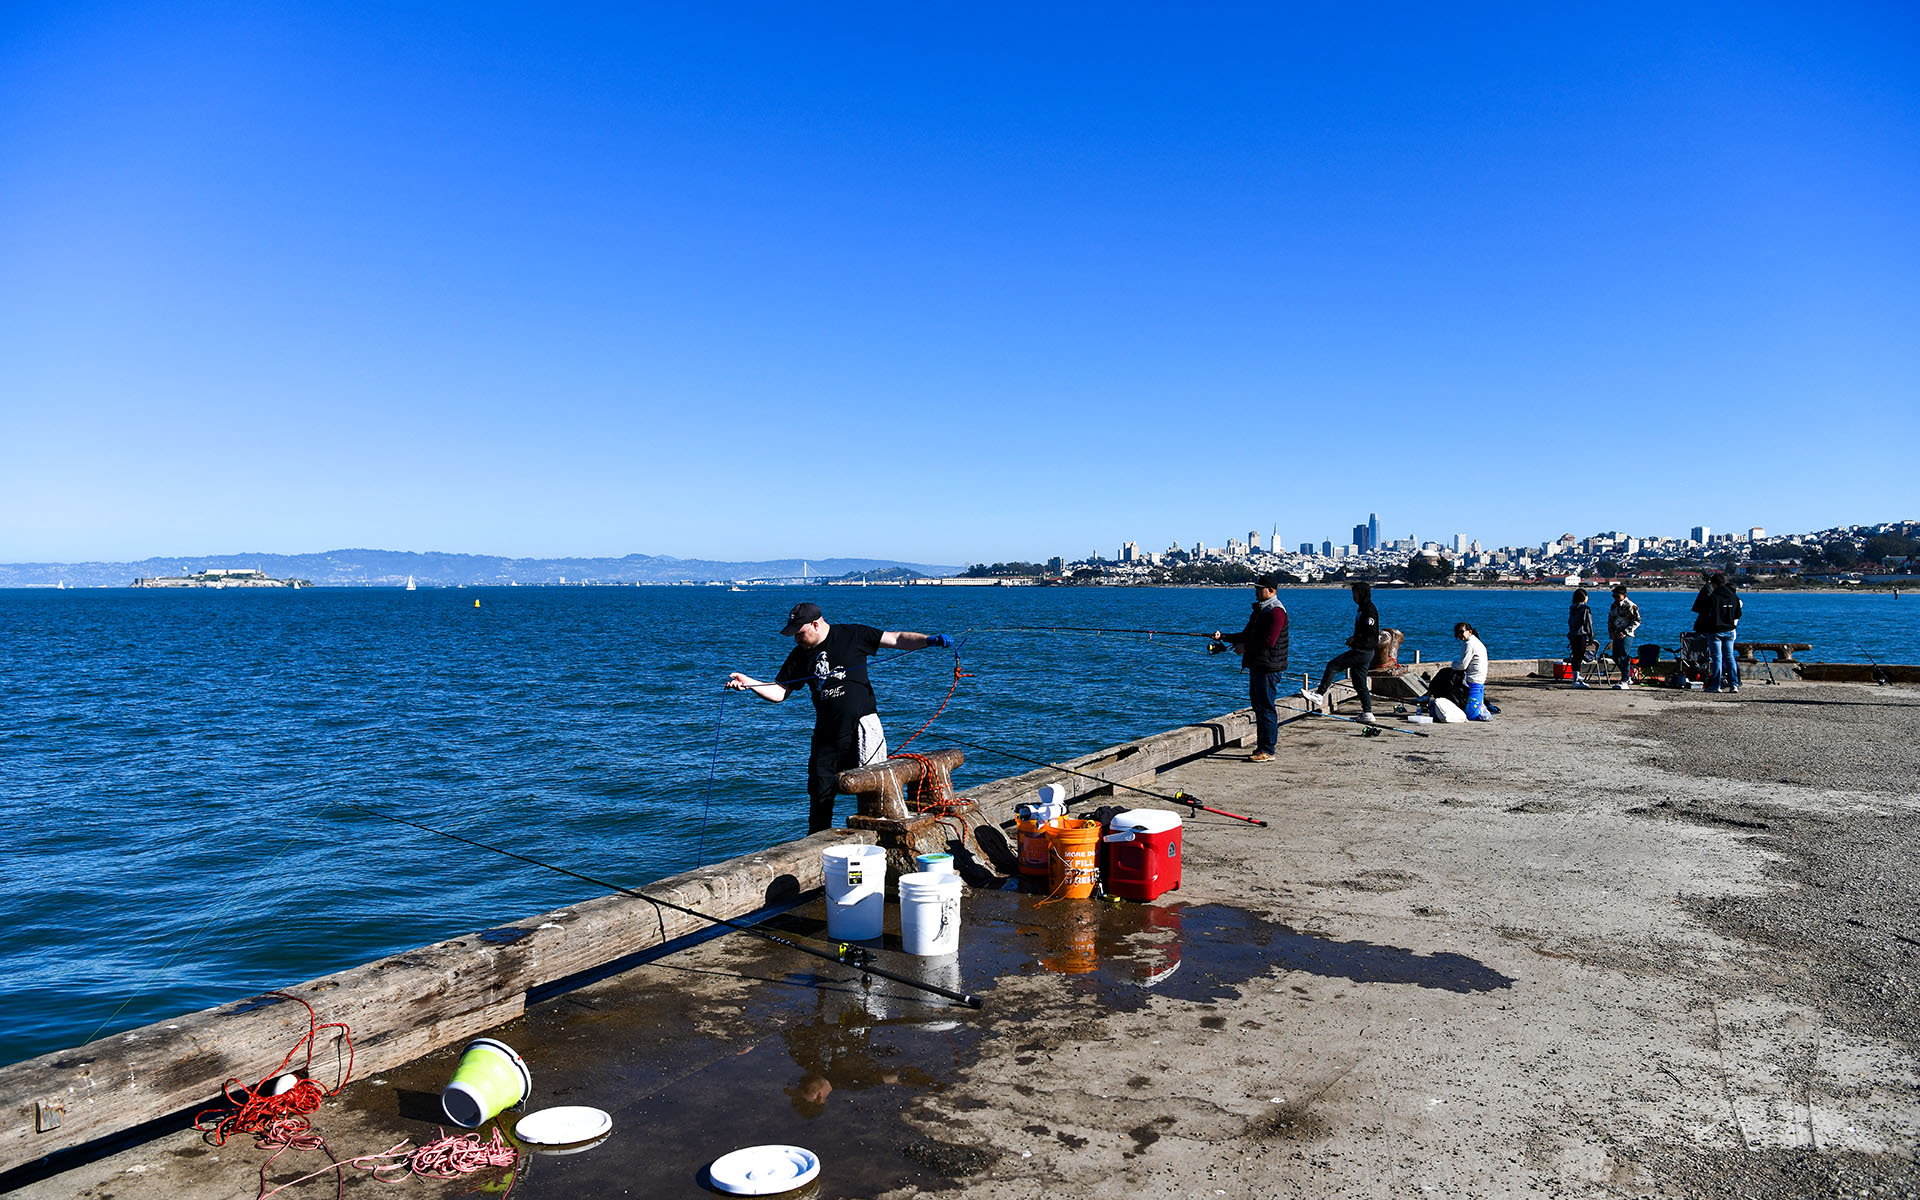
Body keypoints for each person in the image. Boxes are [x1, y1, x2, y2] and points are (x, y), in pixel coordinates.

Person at [728, 602, 952, 833]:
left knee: (873, 787)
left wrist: (929, 640)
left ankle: (876, 837)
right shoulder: (799, 655)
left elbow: (897, 639)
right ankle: (816, 842)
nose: (796, 639)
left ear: (815, 624)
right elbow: (779, 691)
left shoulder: (852, 635)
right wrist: (751, 683)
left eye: (800, 633)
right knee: (820, 792)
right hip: (826, 734)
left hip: (862, 728)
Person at [1214, 574, 1290, 762]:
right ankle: (1261, 747)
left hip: (1269, 667)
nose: (1255, 592)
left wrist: (1245, 648)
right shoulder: (1260, 610)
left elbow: (1269, 641)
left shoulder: (1276, 612)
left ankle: (1268, 749)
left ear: (1271, 591)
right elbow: (1246, 634)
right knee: (1259, 706)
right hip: (1259, 665)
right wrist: (1223, 637)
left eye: (1259, 588)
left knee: (1266, 708)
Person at [1301, 581, 1378, 723]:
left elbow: (1370, 630)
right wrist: (1353, 639)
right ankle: (1367, 712)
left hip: (1362, 651)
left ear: (1362, 593)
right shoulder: (1361, 608)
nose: (1353, 596)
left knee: (1333, 666)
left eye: (1355, 593)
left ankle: (1319, 694)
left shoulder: (1369, 609)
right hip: (1364, 650)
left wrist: (1356, 639)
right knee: (1359, 682)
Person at [1691, 572, 1743, 693]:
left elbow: (1707, 614)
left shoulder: (1713, 597)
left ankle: (1716, 685)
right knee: (1730, 658)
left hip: (1715, 631)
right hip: (1729, 630)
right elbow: (1738, 614)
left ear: (1714, 584)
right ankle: (1734, 684)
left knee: (1717, 659)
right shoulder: (1733, 596)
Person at [1451, 622, 1491, 720]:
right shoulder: (1476, 642)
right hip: (1480, 677)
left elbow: (1463, 665)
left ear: (1470, 631)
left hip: (1473, 678)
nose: (1460, 635)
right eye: (1458, 633)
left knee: (1471, 714)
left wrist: (1453, 664)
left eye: (1461, 632)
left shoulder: (1469, 644)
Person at [1607, 585, 1642, 690]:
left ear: (1624, 595)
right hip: (1616, 633)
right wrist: (1611, 631)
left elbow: (1637, 620)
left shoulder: (1630, 606)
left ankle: (1625, 679)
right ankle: (1627, 675)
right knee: (1615, 656)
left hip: (1627, 635)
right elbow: (1610, 619)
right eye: (1614, 596)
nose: (1615, 598)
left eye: (1617, 596)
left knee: (1624, 656)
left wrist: (1626, 632)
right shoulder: (1614, 606)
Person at [1567, 587, 1596, 688]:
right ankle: (1576, 680)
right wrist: (1591, 636)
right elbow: (1588, 623)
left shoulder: (1573, 609)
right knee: (1579, 657)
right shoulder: (1585, 609)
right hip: (1581, 635)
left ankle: (1576, 677)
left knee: (1575, 657)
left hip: (1573, 635)